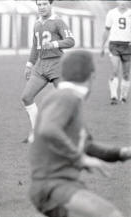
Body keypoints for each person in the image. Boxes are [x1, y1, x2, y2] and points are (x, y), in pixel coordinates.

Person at [29, 50, 131, 217]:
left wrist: (122, 153)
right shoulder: (66, 97)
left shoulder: (64, 98)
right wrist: (80, 158)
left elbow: (87, 146)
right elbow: (48, 128)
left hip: (59, 185)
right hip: (53, 187)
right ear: (92, 76)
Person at [21, 0, 75, 143]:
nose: (41, 7)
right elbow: (35, 46)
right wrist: (29, 64)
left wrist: (54, 44)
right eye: (39, 4)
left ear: (51, 5)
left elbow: (71, 41)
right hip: (41, 66)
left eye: (45, 4)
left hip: (57, 63)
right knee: (26, 97)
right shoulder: (37, 23)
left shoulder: (58, 22)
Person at [101, 1, 131, 105]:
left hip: (128, 46)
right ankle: (113, 96)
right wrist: (102, 46)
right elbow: (106, 30)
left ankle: (123, 97)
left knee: (126, 74)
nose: (122, 2)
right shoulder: (111, 13)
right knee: (114, 70)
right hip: (114, 45)